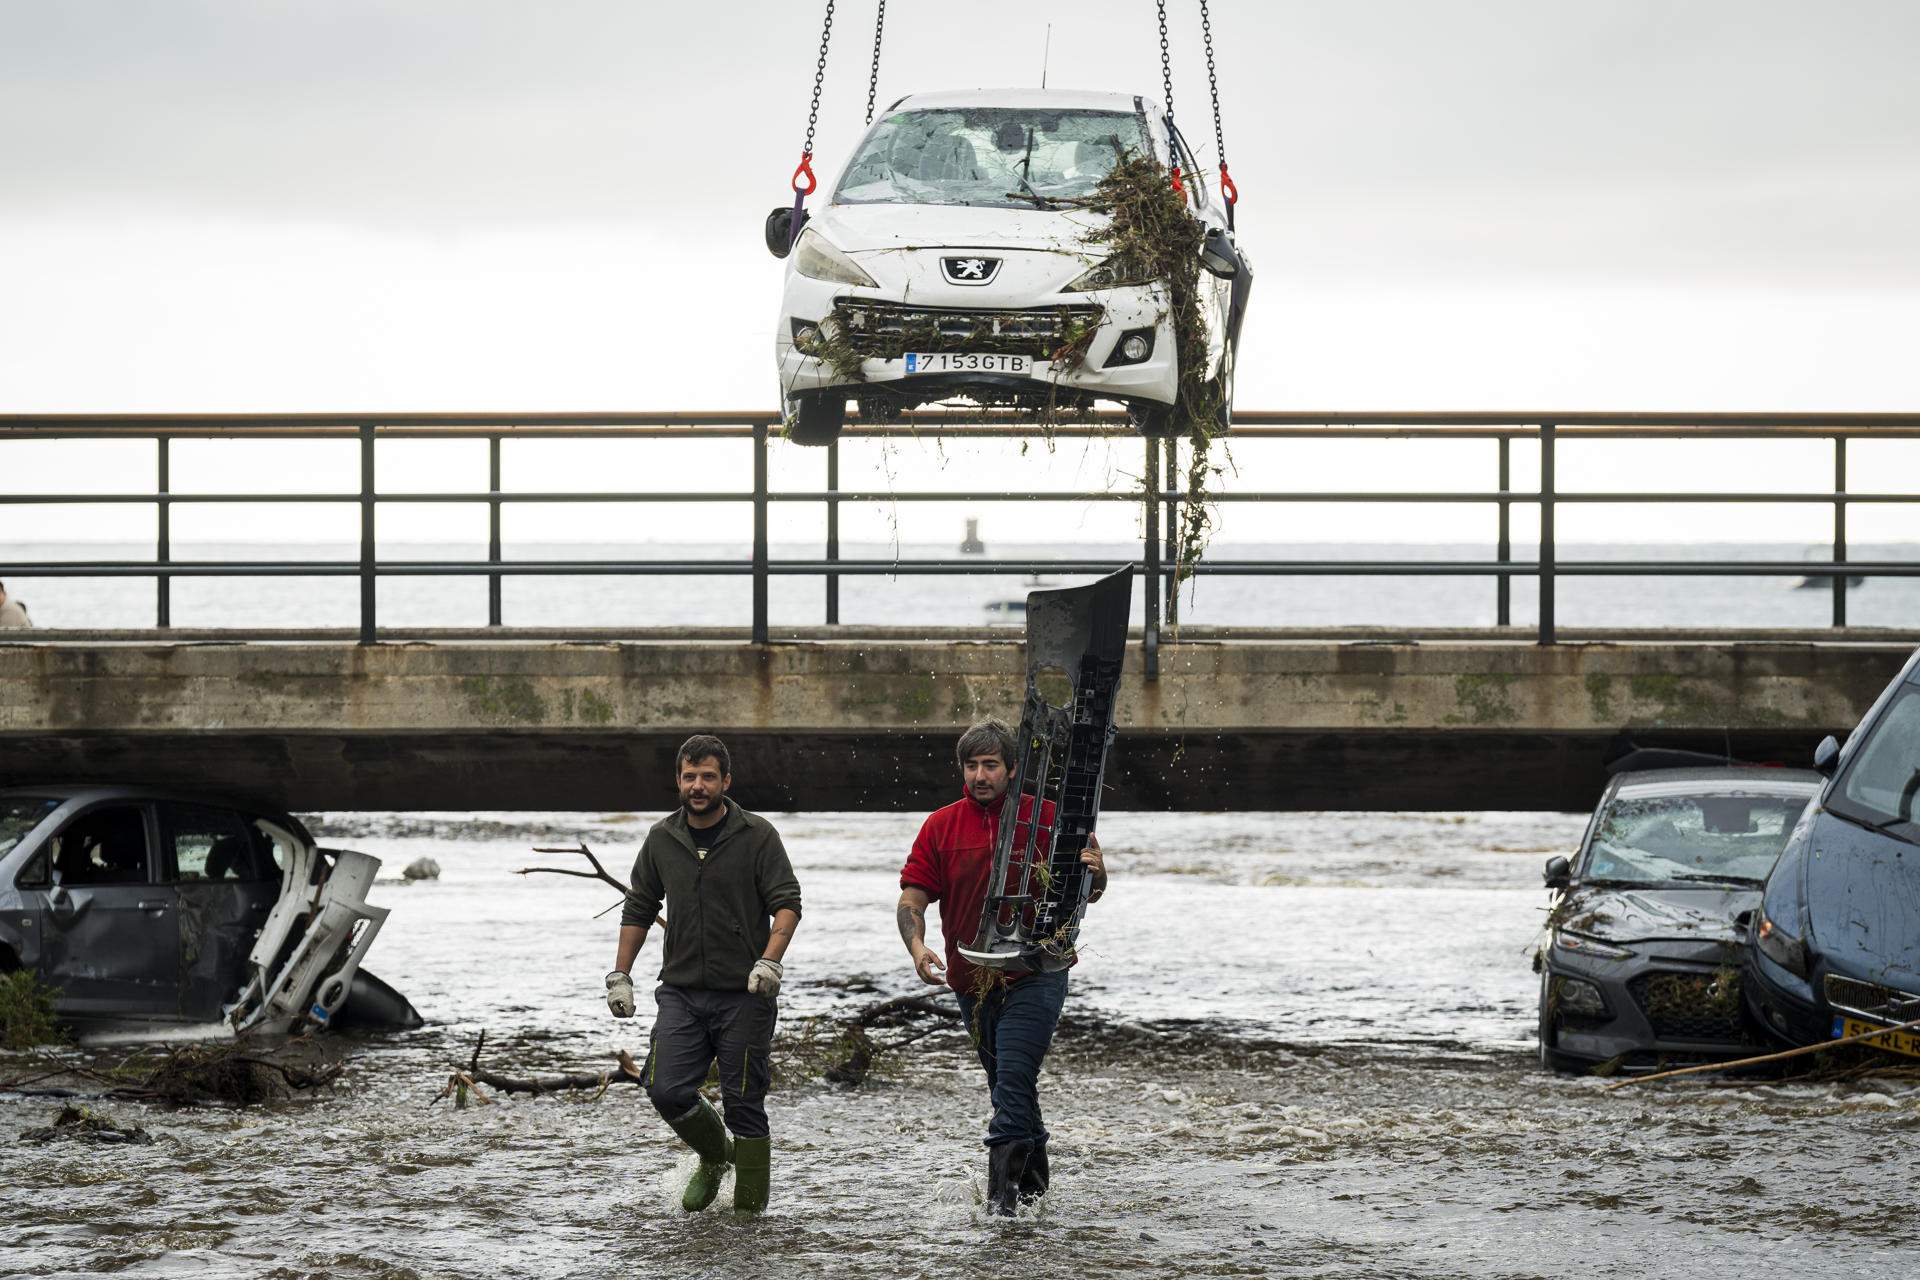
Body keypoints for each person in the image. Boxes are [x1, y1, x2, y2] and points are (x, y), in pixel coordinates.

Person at [896, 718, 1107, 1214]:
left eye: (990, 765)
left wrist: (1098, 874)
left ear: (1012, 769)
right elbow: (913, 897)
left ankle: (1000, 1212)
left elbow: (1089, 893)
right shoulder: (941, 826)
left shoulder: (1052, 818)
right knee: (1006, 1084)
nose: (980, 775)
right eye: (971, 766)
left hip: (1039, 970)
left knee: (1012, 1077)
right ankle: (1036, 1191)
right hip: (971, 979)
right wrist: (917, 946)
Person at [606, 734, 802, 1214]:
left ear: (725, 781)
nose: (698, 785)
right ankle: (716, 1158)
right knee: (664, 1087)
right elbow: (639, 906)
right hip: (682, 994)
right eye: (690, 776)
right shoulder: (661, 839)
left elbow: (787, 903)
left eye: (708, 776)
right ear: (678, 780)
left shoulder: (757, 835)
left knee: (743, 1104)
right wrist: (620, 974)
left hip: (745, 994)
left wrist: (770, 959)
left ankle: (750, 1223)